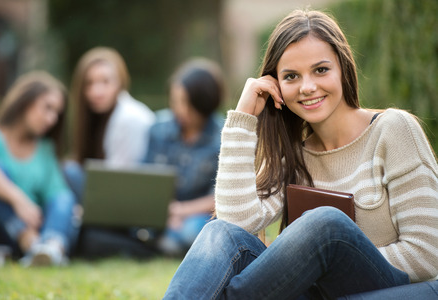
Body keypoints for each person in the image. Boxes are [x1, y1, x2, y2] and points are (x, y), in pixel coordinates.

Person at [163, 9, 438, 299]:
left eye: (321, 70)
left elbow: (428, 253)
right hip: (317, 293)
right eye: (291, 76)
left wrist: (321, 261)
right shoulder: (292, 155)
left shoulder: (393, 130)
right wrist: (242, 119)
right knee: (220, 233)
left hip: (394, 290)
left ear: (343, 68)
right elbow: (236, 223)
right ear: (277, 86)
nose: (307, 87)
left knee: (325, 225)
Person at [0, 71, 78, 266]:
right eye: (47, 108)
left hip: (40, 225)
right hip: (3, 227)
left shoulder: (45, 149)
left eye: (57, 113)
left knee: (65, 197)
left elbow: (57, 194)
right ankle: (31, 244)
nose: (52, 119)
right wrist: (18, 199)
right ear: (25, 101)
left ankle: (52, 247)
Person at [143, 58, 225, 256]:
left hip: (198, 214)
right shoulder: (159, 128)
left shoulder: (222, 136)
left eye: (186, 103)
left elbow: (220, 196)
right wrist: (165, 212)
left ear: (204, 103)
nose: (179, 109)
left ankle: (164, 242)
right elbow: (145, 177)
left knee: (191, 232)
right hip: (161, 210)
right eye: (175, 101)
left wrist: (180, 211)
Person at [64, 47, 155, 201]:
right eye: (89, 83)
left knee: (69, 171)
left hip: (128, 198)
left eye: (105, 82)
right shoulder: (103, 116)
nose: (96, 91)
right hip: (116, 194)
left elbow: (117, 181)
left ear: (119, 82)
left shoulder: (129, 118)